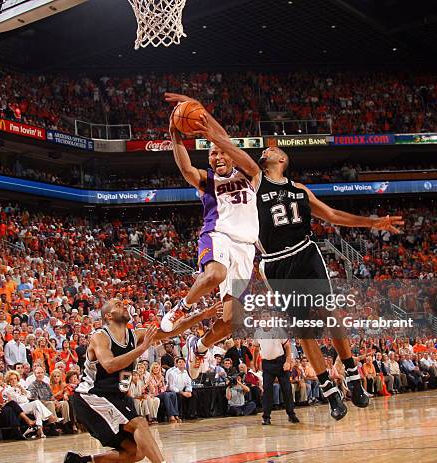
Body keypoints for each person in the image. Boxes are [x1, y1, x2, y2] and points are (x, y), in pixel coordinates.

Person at [255, 146, 402, 419]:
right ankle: (329, 391)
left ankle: (352, 374)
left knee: (330, 313)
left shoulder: (300, 190)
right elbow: (227, 144)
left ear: (283, 160)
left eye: (273, 148)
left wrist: (372, 223)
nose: (267, 149)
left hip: (305, 253)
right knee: (304, 329)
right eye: (265, 148)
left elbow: (333, 215)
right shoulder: (256, 181)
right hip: (276, 262)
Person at [160, 93, 261, 380]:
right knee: (215, 274)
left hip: (245, 249)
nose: (216, 157)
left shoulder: (250, 174)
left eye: (220, 152)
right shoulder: (209, 181)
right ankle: (182, 308)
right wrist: (174, 135)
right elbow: (185, 168)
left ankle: (200, 347)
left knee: (232, 322)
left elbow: (227, 142)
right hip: (217, 235)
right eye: (212, 154)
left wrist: (207, 123)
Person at [64, 298, 217, 463]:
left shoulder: (136, 334)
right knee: (140, 424)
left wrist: (203, 315)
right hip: (90, 397)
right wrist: (142, 349)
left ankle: (82, 461)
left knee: (135, 452)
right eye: (118, 305)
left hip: (114, 397)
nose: (124, 305)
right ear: (108, 316)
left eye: (123, 304)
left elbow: (171, 331)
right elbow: (109, 366)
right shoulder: (100, 337)